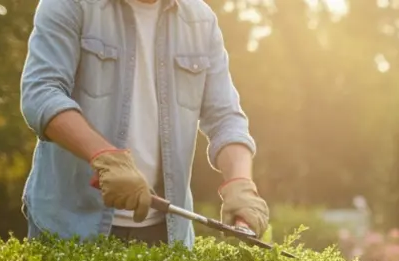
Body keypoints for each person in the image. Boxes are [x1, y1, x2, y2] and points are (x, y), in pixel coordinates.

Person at [19, 0, 270, 246]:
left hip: (167, 234)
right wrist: (104, 156)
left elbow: (225, 117)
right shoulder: (69, 4)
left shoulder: (200, 19)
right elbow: (41, 92)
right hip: (70, 224)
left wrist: (240, 183)